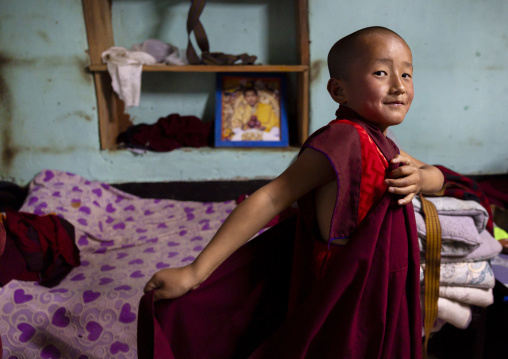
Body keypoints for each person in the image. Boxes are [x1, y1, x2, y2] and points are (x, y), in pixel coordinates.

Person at [142, 26, 444, 358]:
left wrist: (420, 179)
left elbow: (438, 177)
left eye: (406, 74)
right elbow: (272, 197)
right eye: (381, 73)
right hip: (349, 297)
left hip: (383, 288)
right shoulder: (344, 140)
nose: (399, 86)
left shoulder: (383, 144)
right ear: (338, 90)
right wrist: (194, 272)